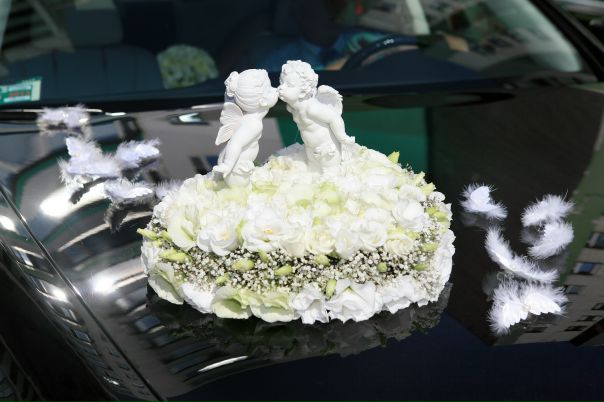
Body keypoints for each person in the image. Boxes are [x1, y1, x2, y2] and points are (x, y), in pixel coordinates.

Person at [278, 60, 355, 171]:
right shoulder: (292, 108)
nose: (281, 87)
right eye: (281, 83)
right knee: (313, 173)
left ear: (303, 91)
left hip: (327, 150)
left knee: (330, 174)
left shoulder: (312, 108)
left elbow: (334, 118)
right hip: (310, 149)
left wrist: (342, 137)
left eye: (289, 85)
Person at [213, 69, 278, 187]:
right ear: (263, 101)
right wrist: (228, 165)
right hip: (236, 170)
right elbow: (235, 143)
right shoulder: (254, 124)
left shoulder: (248, 117)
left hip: (236, 165)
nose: (275, 90)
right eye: (269, 90)